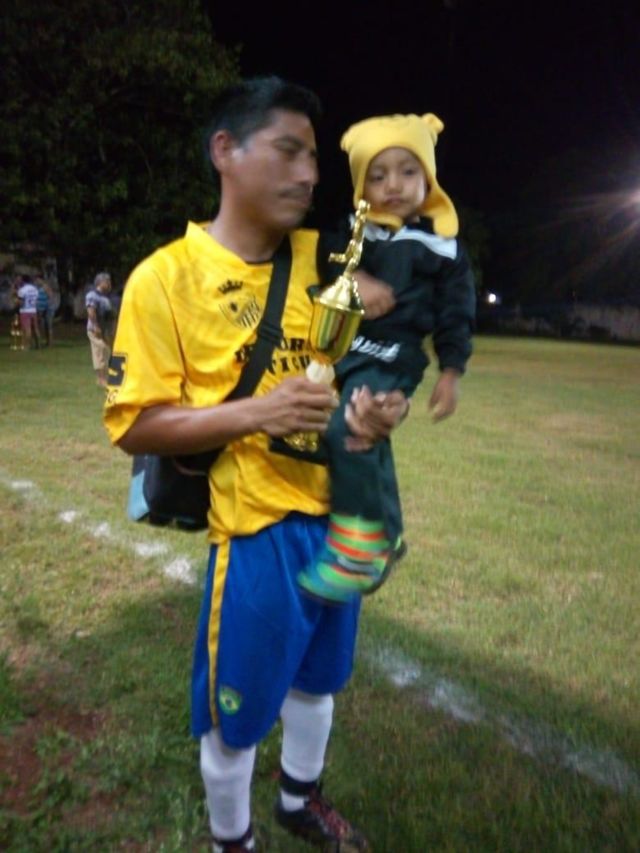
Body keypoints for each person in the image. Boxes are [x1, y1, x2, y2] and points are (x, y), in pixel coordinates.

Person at [103, 77, 408, 852]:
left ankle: (299, 800)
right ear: (226, 151)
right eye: (287, 151)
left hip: (340, 518)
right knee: (235, 714)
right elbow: (135, 424)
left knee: (319, 680)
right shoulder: (165, 277)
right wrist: (257, 413)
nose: (308, 173)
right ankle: (230, 840)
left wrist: (381, 402)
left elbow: (369, 362)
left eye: (313, 157)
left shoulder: (328, 260)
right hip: (256, 533)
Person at [298, 112, 476, 604]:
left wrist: (451, 371)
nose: (392, 185)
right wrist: (355, 280)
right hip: (350, 350)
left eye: (407, 171)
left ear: (428, 179)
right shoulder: (354, 232)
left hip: (395, 354)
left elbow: (456, 314)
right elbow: (329, 261)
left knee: (351, 427)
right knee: (357, 429)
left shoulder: (442, 248)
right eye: (377, 176)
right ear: (362, 186)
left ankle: (359, 548)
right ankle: (390, 532)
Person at [86, 272, 113, 386]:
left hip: (104, 329)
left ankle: (105, 377)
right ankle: (101, 378)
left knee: (106, 352)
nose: (109, 284)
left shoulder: (105, 297)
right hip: (95, 329)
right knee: (100, 351)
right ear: (100, 282)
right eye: (107, 281)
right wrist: (96, 326)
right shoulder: (92, 295)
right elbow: (91, 311)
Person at [16, 274, 41, 349]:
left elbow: (21, 302)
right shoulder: (35, 289)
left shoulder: (22, 290)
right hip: (33, 310)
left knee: (27, 329)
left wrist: (15, 301)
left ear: (23, 281)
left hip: (25, 310)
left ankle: (27, 346)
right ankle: (38, 345)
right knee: (35, 328)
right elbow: (36, 300)